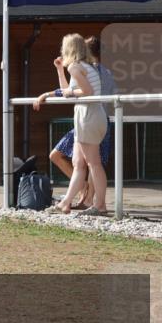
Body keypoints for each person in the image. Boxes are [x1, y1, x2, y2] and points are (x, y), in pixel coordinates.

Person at [34, 34, 107, 216]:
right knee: (79, 163)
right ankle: (66, 203)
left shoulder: (76, 66)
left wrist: (62, 93)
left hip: (88, 115)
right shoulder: (83, 66)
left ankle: (100, 205)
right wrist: (60, 72)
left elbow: (85, 92)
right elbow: (71, 89)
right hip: (90, 115)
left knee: (93, 163)